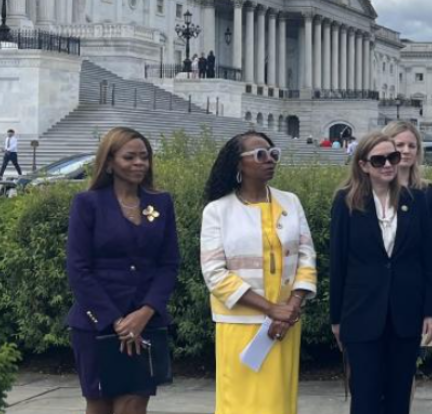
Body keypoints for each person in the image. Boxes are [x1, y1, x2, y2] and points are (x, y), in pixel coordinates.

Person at [65, 127, 180, 414]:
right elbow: (78, 269)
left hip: (146, 323)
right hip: (97, 325)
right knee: (100, 405)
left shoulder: (161, 203)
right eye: (130, 157)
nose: (139, 163)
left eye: (144, 157)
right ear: (109, 162)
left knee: (133, 403)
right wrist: (116, 321)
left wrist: (145, 313)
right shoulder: (87, 204)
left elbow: (169, 264)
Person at [200, 132, 317, 414]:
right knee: (242, 402)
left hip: (285, 323)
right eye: (260, 155)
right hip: (241, 324)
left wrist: (291, 306)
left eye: (273, 153)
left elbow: (307, 256)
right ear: (238, 164)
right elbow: (214, 274)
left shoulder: (290, 202)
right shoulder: (218, 210)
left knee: (279, 400)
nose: (269, 160)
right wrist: (270, 309)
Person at [329, 132, 432, 414]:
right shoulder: (346, 202)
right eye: (379, 160)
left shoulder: (416, 200)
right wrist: (336, 318)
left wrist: (431, 310)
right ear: (363, 165)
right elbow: (338, 262)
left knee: (399, 396)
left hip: (405, 312)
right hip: (361, 313)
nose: (388, 165)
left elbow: (429, 260)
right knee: (365, 396)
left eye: (392, 157)